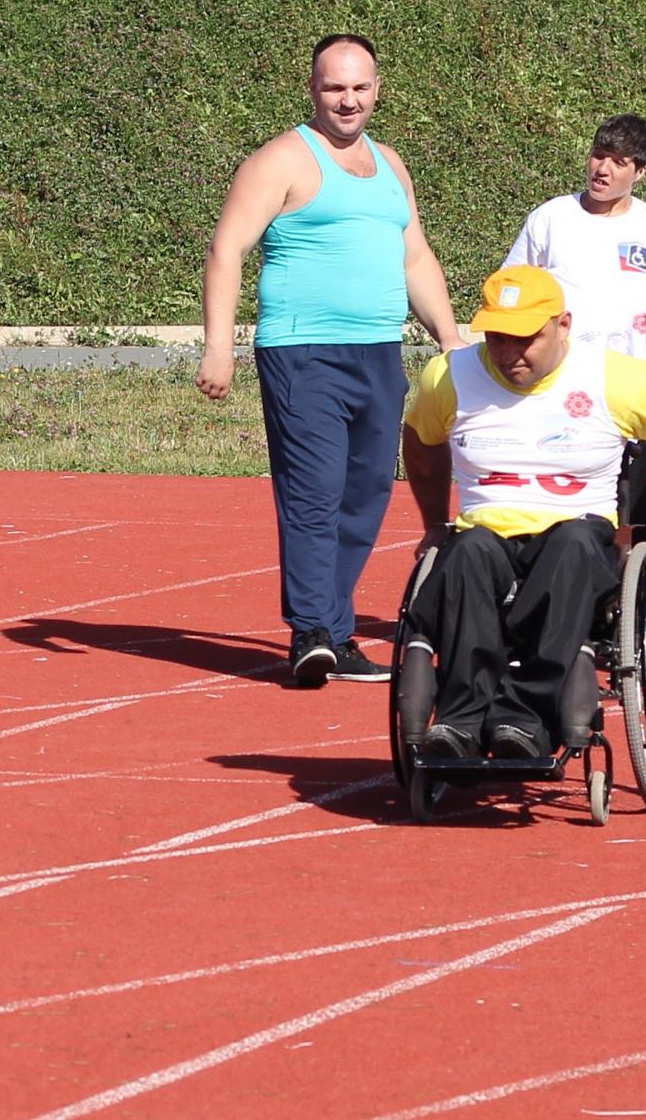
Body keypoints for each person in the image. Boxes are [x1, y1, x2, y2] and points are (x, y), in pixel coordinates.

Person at [197, 34, 466, 687]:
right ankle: (312, 632)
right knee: (314, 490)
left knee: (366, 494)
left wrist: (452, 340)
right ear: (313, 89)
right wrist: (218, 346)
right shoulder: (282, 159)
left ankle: (337, 631)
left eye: (359, 88)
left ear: (377, 89)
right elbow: (227, 249)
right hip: (302, 350)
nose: (348, 100)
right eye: (334, 88)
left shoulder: (391, 165)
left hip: (378, 350)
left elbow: (416, 258)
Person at [399, 266, 646, 759]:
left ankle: (525, 718)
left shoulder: (614, 377)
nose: (509, 354)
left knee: (569, 546)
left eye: (525, 339)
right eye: (498, 338)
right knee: (465, 554)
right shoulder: (450, 375)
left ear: (563, 324)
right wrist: (433, 524)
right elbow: (421, 440)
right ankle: (461, 721)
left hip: (578, 530)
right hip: (484, 533)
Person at [504, 113, 646, 548]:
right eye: (598, 156)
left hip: (627, 387)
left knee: (628, 512)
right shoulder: (551, 218)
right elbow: (512, 285)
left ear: (640, 171)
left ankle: (625, 600)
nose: (603, 169)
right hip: (558, 383)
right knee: (555, 500)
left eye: (618, 161)